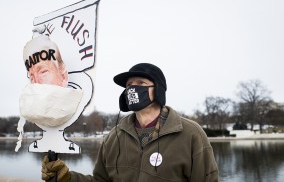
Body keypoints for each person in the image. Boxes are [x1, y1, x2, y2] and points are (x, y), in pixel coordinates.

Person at [41, 63, 220, 182]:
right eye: (128, 85)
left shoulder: (190, 134)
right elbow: (101, 181)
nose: (132, 89)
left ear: (157, 90)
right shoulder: (114, 137)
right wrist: (67, 178)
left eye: (140, 83)